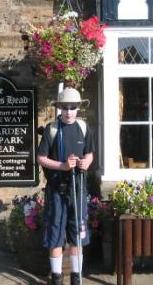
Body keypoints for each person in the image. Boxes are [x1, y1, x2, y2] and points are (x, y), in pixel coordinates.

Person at [37, 88, 95, 285]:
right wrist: (62, 166)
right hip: (56, 191)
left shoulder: (84, 128)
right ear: (59, 108)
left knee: (77, 233)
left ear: (79, 108)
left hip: (78, 190)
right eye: (65, 107)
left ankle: (76, 278)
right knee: (55, 233)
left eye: (73, 107)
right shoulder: (51, 130)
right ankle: (56, 277)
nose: (69, 112)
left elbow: (89, 153)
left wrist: (86, 162)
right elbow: (41, 158)